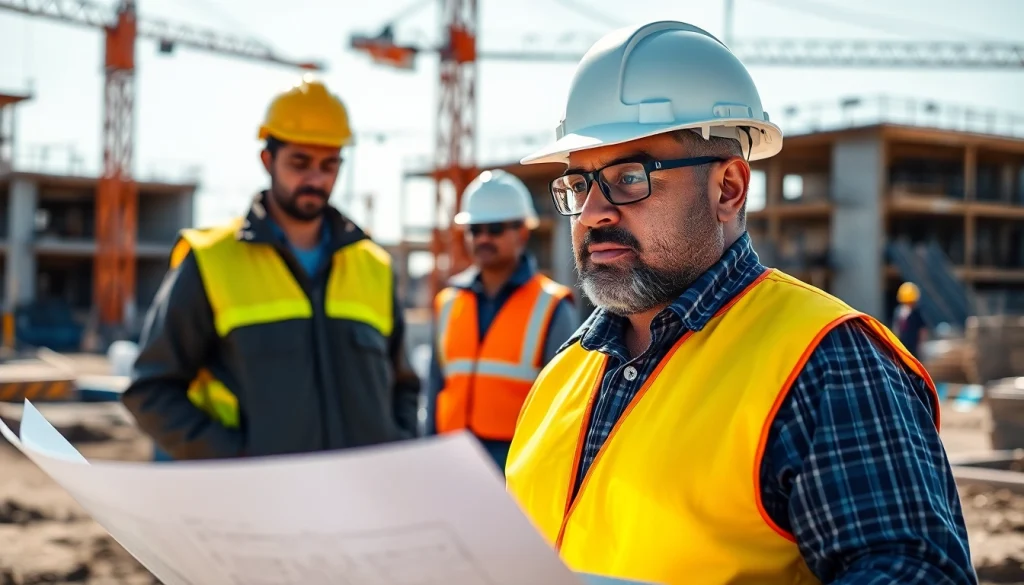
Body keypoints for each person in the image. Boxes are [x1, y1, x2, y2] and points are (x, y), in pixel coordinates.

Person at [504, 21, 974, 585]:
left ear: (728, 188)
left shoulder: (826, 361)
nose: (592, 213)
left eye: (629, 177)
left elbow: (914, 573)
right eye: (579, 184)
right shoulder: (562, 374)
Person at [122, 76, 421, 460]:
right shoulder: (212, 260)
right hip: (259, 493)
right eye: (300, 163)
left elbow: (403, 386)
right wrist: (234, 459)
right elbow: (151, 390)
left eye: (329, 165)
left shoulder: (373, 265)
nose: (315, 178)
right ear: (267, 160)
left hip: (362, 492)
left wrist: (396, 446)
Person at [424, 169, 578, 472]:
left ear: (522, 232)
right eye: (474, 229)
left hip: (514, 467)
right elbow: (433, 388)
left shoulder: (552, 305)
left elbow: (560, 408)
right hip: (451, 461)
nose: (483, 238)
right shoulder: (448, 301)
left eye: (494, 229)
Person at [893, 281, 929, 357]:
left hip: (913, 347)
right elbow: (896, 327)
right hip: (902, 345)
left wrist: (920, 345)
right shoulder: (898, 312)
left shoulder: (917, 313)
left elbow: (922, 330)